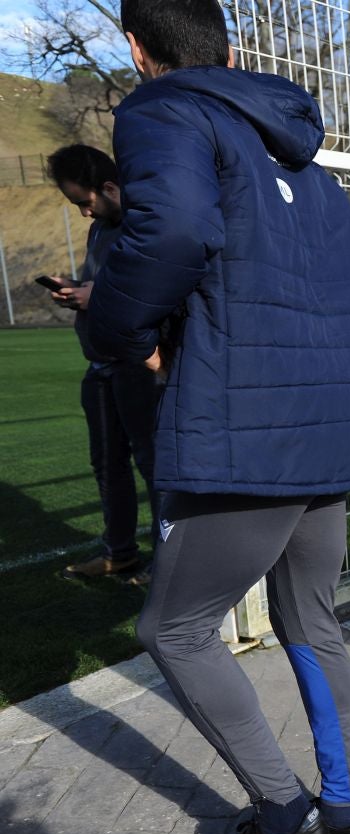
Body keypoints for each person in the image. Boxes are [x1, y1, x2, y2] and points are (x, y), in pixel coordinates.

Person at [86, 0, 350, 834]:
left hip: (251, 429)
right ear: (227, 44)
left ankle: (283, 815)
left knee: (175, 628)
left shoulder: (160, 109)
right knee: (310, 616)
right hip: (327, 427)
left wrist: (117, 334)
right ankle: (346, 806)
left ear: (136, 45)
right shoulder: (295, 143)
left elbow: (175, 231)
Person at [44, 145, 159, 585]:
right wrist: (77, 289)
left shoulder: (147, 225)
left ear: (110, 187)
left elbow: (153, 292)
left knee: (154, 465)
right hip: (100, 367)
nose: (84, 214)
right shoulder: (101, 230)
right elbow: (104, 284)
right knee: (107, 464)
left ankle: (168, 561)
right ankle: (120, 553)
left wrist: (97, 297)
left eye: (85, 203)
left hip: (137, 365)